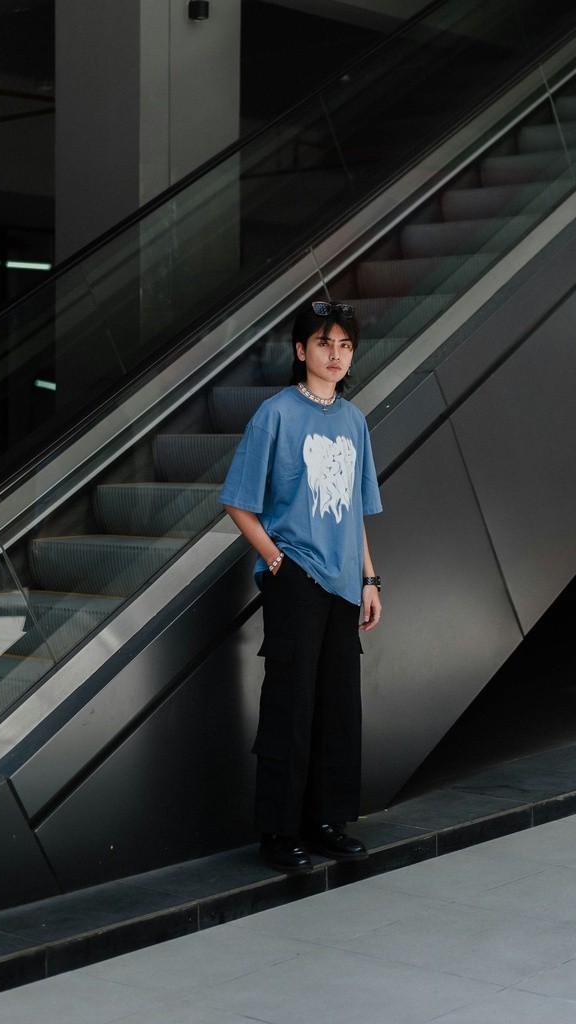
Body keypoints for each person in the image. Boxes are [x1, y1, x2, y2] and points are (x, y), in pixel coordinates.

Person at [220, 300, 383, 873]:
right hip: (296, 579)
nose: (335, 355)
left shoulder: (354, 421)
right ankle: (279, 831)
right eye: (323, 343)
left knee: (338, 707)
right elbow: (238, 501)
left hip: (344, 584)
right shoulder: (276, 415)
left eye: (345, 346)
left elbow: (355, 512)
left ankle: (325, 822)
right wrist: (276, 561)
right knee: (289, 706)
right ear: (300, 350)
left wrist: (369, 577)